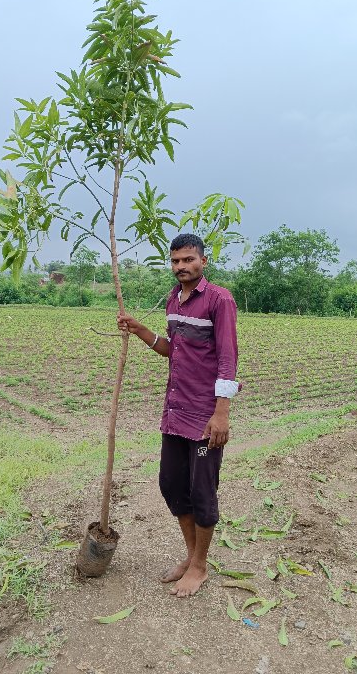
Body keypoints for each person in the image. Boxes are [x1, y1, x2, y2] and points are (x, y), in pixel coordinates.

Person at [117, 233, 239, 597]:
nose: (181, 267)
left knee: (202, 492)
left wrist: (222, 414)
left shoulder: (219, 300)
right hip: (175, 412)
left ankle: (199, 566)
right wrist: (140, 330)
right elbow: (173, 351)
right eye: (175, 261)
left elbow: (227, 359)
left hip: (205, 416)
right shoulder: (174, 300)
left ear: (203, 260)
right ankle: (191, 556)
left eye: (188, 260)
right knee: (171, 486)